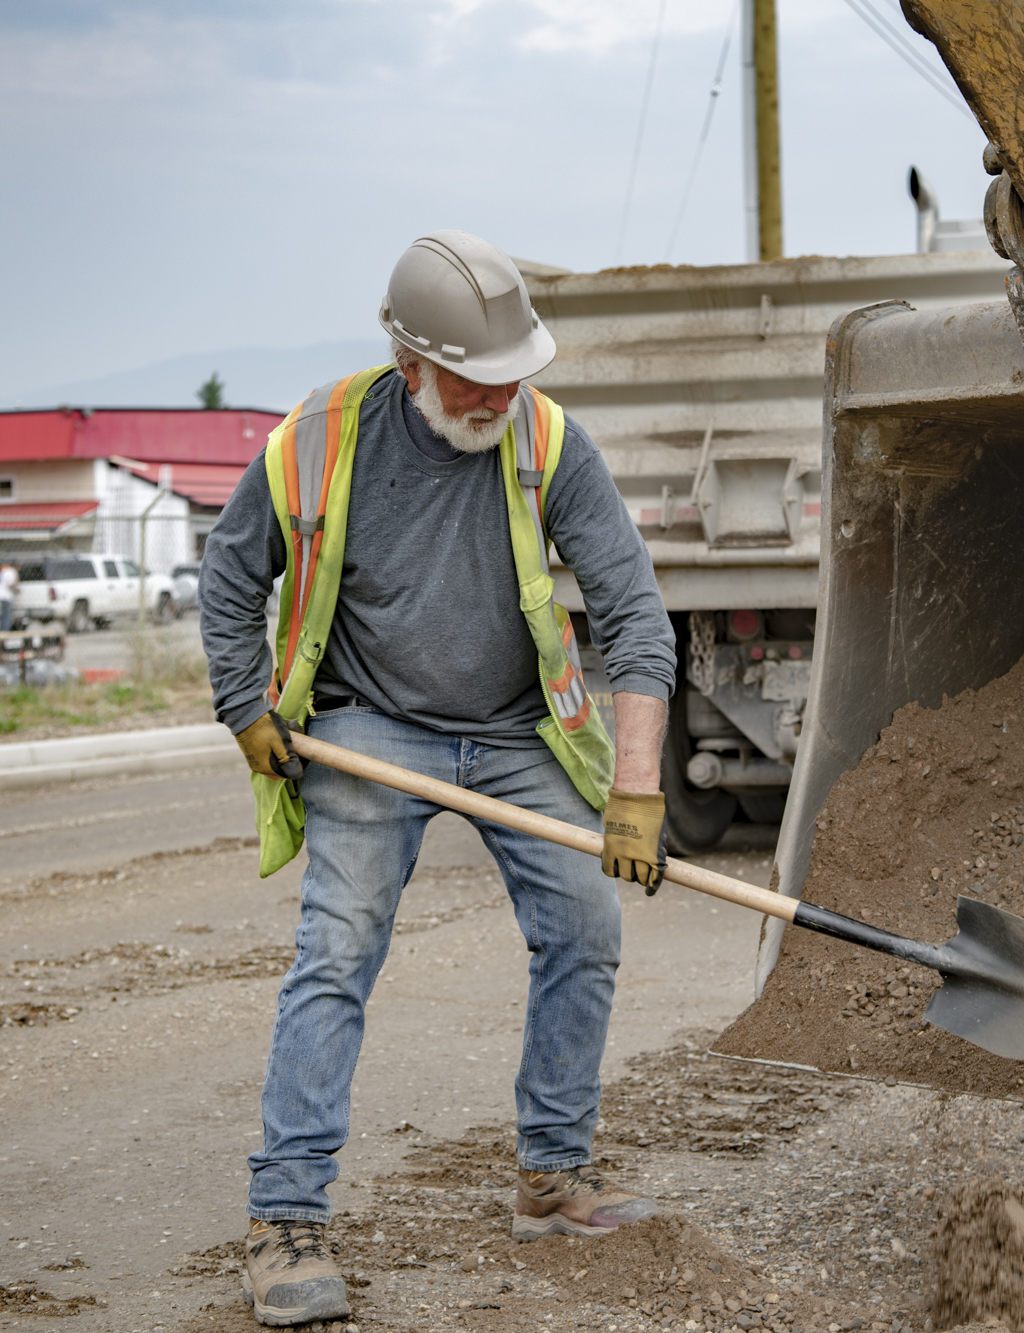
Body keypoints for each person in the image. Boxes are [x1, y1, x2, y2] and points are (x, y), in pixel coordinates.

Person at [199, 230, 677, 1328]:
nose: (503, 393)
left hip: (519, 728)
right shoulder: (315, 442)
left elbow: (635, 614)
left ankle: (551, 1181)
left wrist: (636, 789)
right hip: (370, 727)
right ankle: (286, 1221)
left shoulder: (549, 439)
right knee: (336, 951)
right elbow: (231, 578)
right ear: (409, 362)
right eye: (478, 375)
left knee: (585, 926)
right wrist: (245, 709)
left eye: (517, 371)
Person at [0, 563, 20, 632]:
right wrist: (16, 586)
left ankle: (1, 630)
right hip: (6, 597)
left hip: (1, 596)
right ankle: (5, 631)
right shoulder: (11, 572)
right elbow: (9, 585)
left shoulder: (3, 571)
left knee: (3, 615)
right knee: (7, 616)